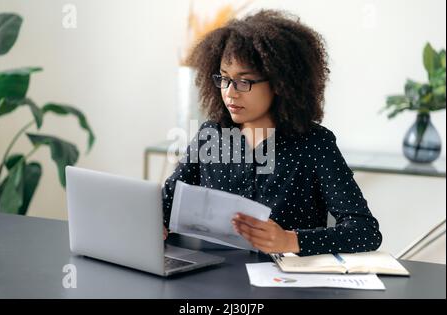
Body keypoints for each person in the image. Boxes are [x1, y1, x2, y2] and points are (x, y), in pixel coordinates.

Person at [162, 9, 382, 256]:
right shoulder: (210, 135)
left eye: (243, 82)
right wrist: (156, 222)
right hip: (212, 278)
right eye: (224, 79)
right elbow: (166, 203)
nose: (230, 93)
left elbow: (365, 231)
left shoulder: (315, 144)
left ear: (280, 83)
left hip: (287, 284)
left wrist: (290, 241)